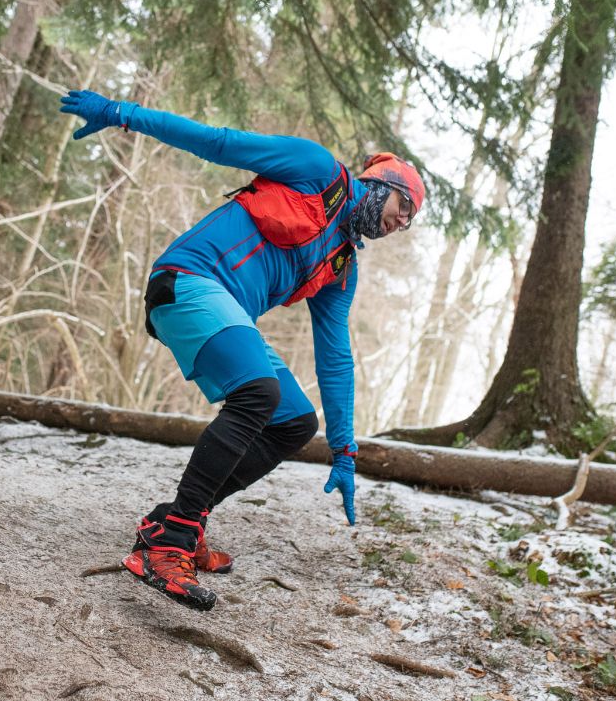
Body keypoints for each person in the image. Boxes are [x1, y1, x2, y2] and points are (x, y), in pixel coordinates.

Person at [59, 89, 424, 611]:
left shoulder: (342, 265)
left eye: (409, 221)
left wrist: (344, 449)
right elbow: (217, 142)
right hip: (187, 280)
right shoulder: (316, 169)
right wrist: (122, 114)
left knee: (294, 422)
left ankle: (177, 519)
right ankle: (170, 543)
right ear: (380, 183)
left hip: (225, 310)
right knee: (258, 392)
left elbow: (335, 356)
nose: (401, 223)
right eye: (403, 206)